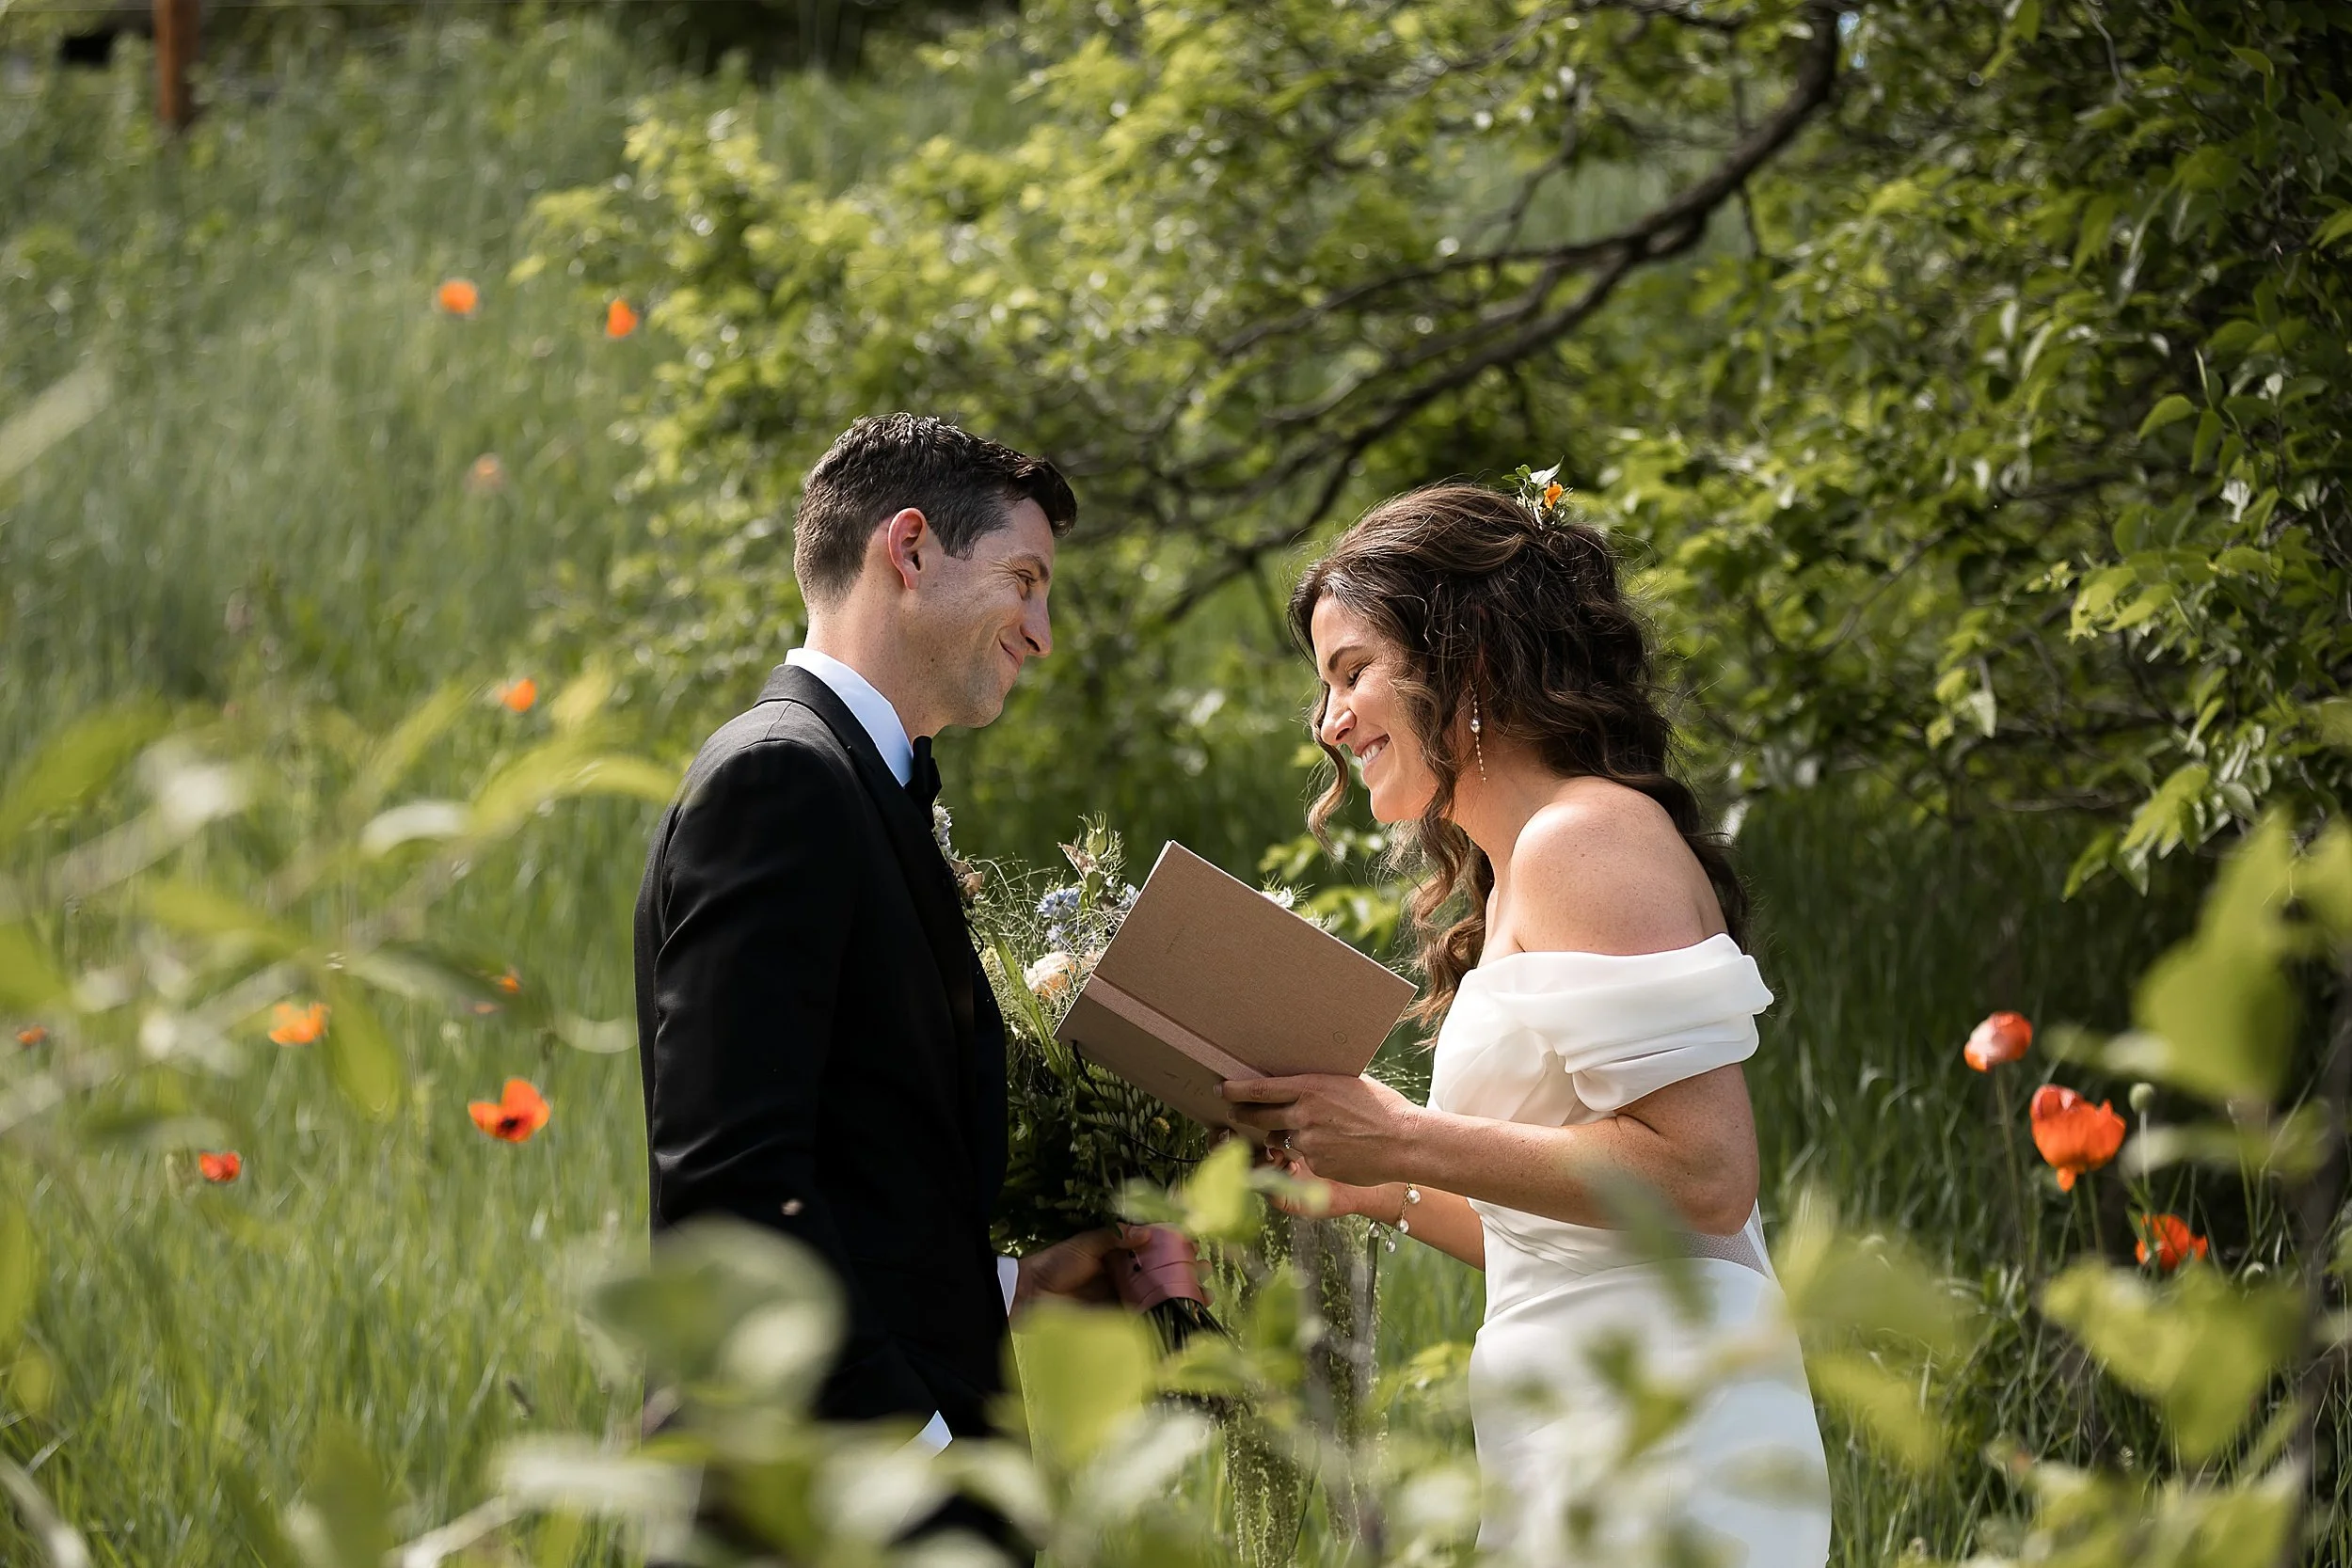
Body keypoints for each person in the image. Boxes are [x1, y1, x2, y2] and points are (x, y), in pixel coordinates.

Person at [1223, 482, 1832, 1564]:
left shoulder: (1582, 839)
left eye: (1351, 671)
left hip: (1672, 1432)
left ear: (1466, 660)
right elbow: (1556, 1229)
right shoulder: (1515, 879)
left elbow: (1702, 1175)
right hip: (1580, 1423)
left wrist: (1404, 1133)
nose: (1329, 722)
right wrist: (1381, 1182)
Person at [632, 414, 1125, 1507]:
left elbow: (855, 1171)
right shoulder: (780, 781)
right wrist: (917, 1456)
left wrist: (1006, 1289)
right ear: (908, 550)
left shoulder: (851, 782)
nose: (1043, 630)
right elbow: (731, 1192)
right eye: (1025, 580)